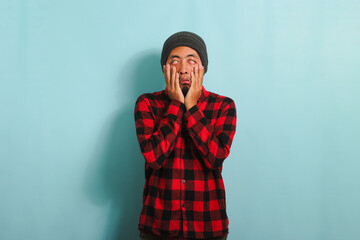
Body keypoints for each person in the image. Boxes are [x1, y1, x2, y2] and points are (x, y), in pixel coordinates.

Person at [134, 31, 237, 240]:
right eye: (174, 61)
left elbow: (216, 157)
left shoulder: (223, 106)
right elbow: (153, 157)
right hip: (158, 226)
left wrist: (191, 106)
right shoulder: (147, 104)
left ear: (202, 68)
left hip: (208, 225)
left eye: (192, 61)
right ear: (164, 68)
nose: (183, 69)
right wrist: (175, 104)